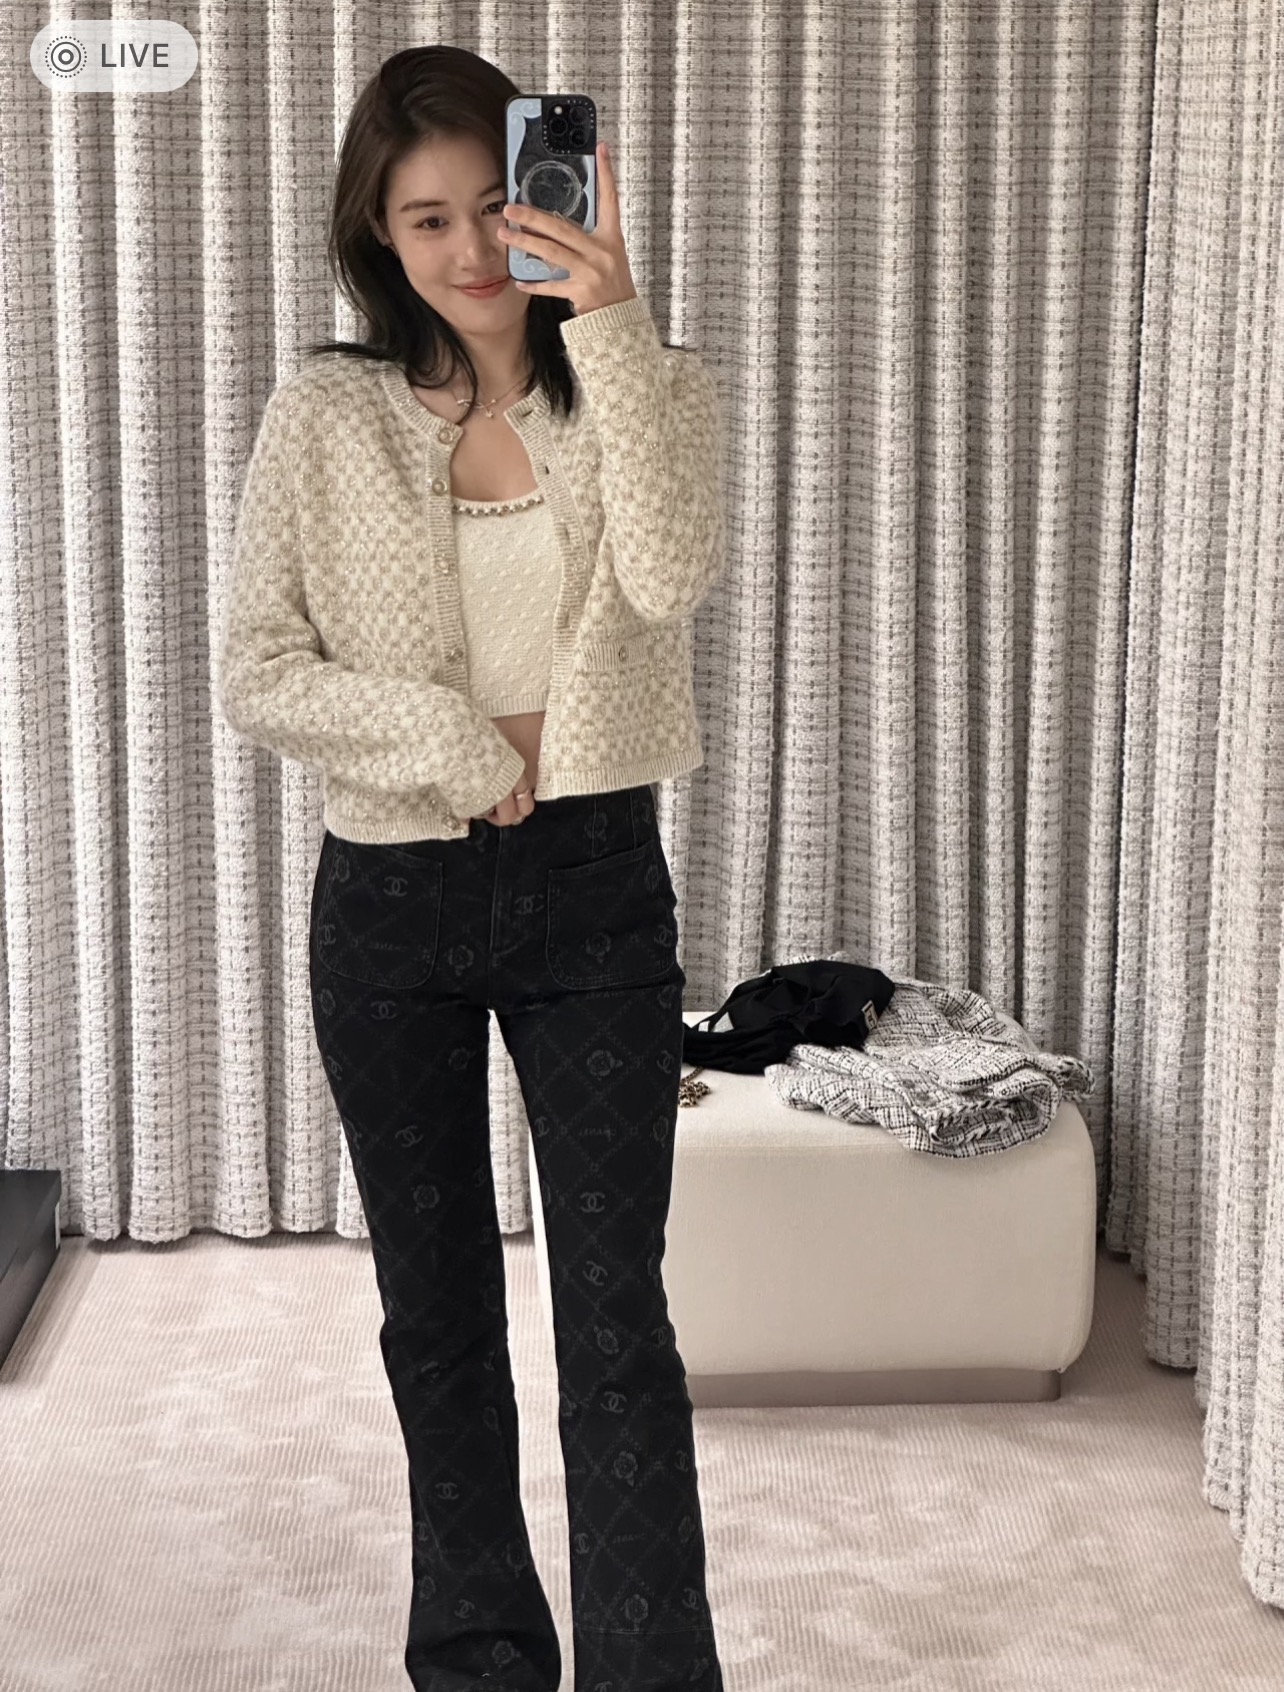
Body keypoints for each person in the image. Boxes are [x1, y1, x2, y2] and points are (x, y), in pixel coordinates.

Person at [217, 42, 727, 1692]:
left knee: (615, 1319)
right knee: (436, 1318)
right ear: (380, 235)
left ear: (548, 196)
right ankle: (480, 1659)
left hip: (598, 891)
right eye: (423, 217)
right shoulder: (325, 412)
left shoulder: (645, 385)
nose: (467, 247)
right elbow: (258, 669)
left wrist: (615, 321)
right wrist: (446, 741)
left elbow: (673, 575)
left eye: (494, 204)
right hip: (391, 904)